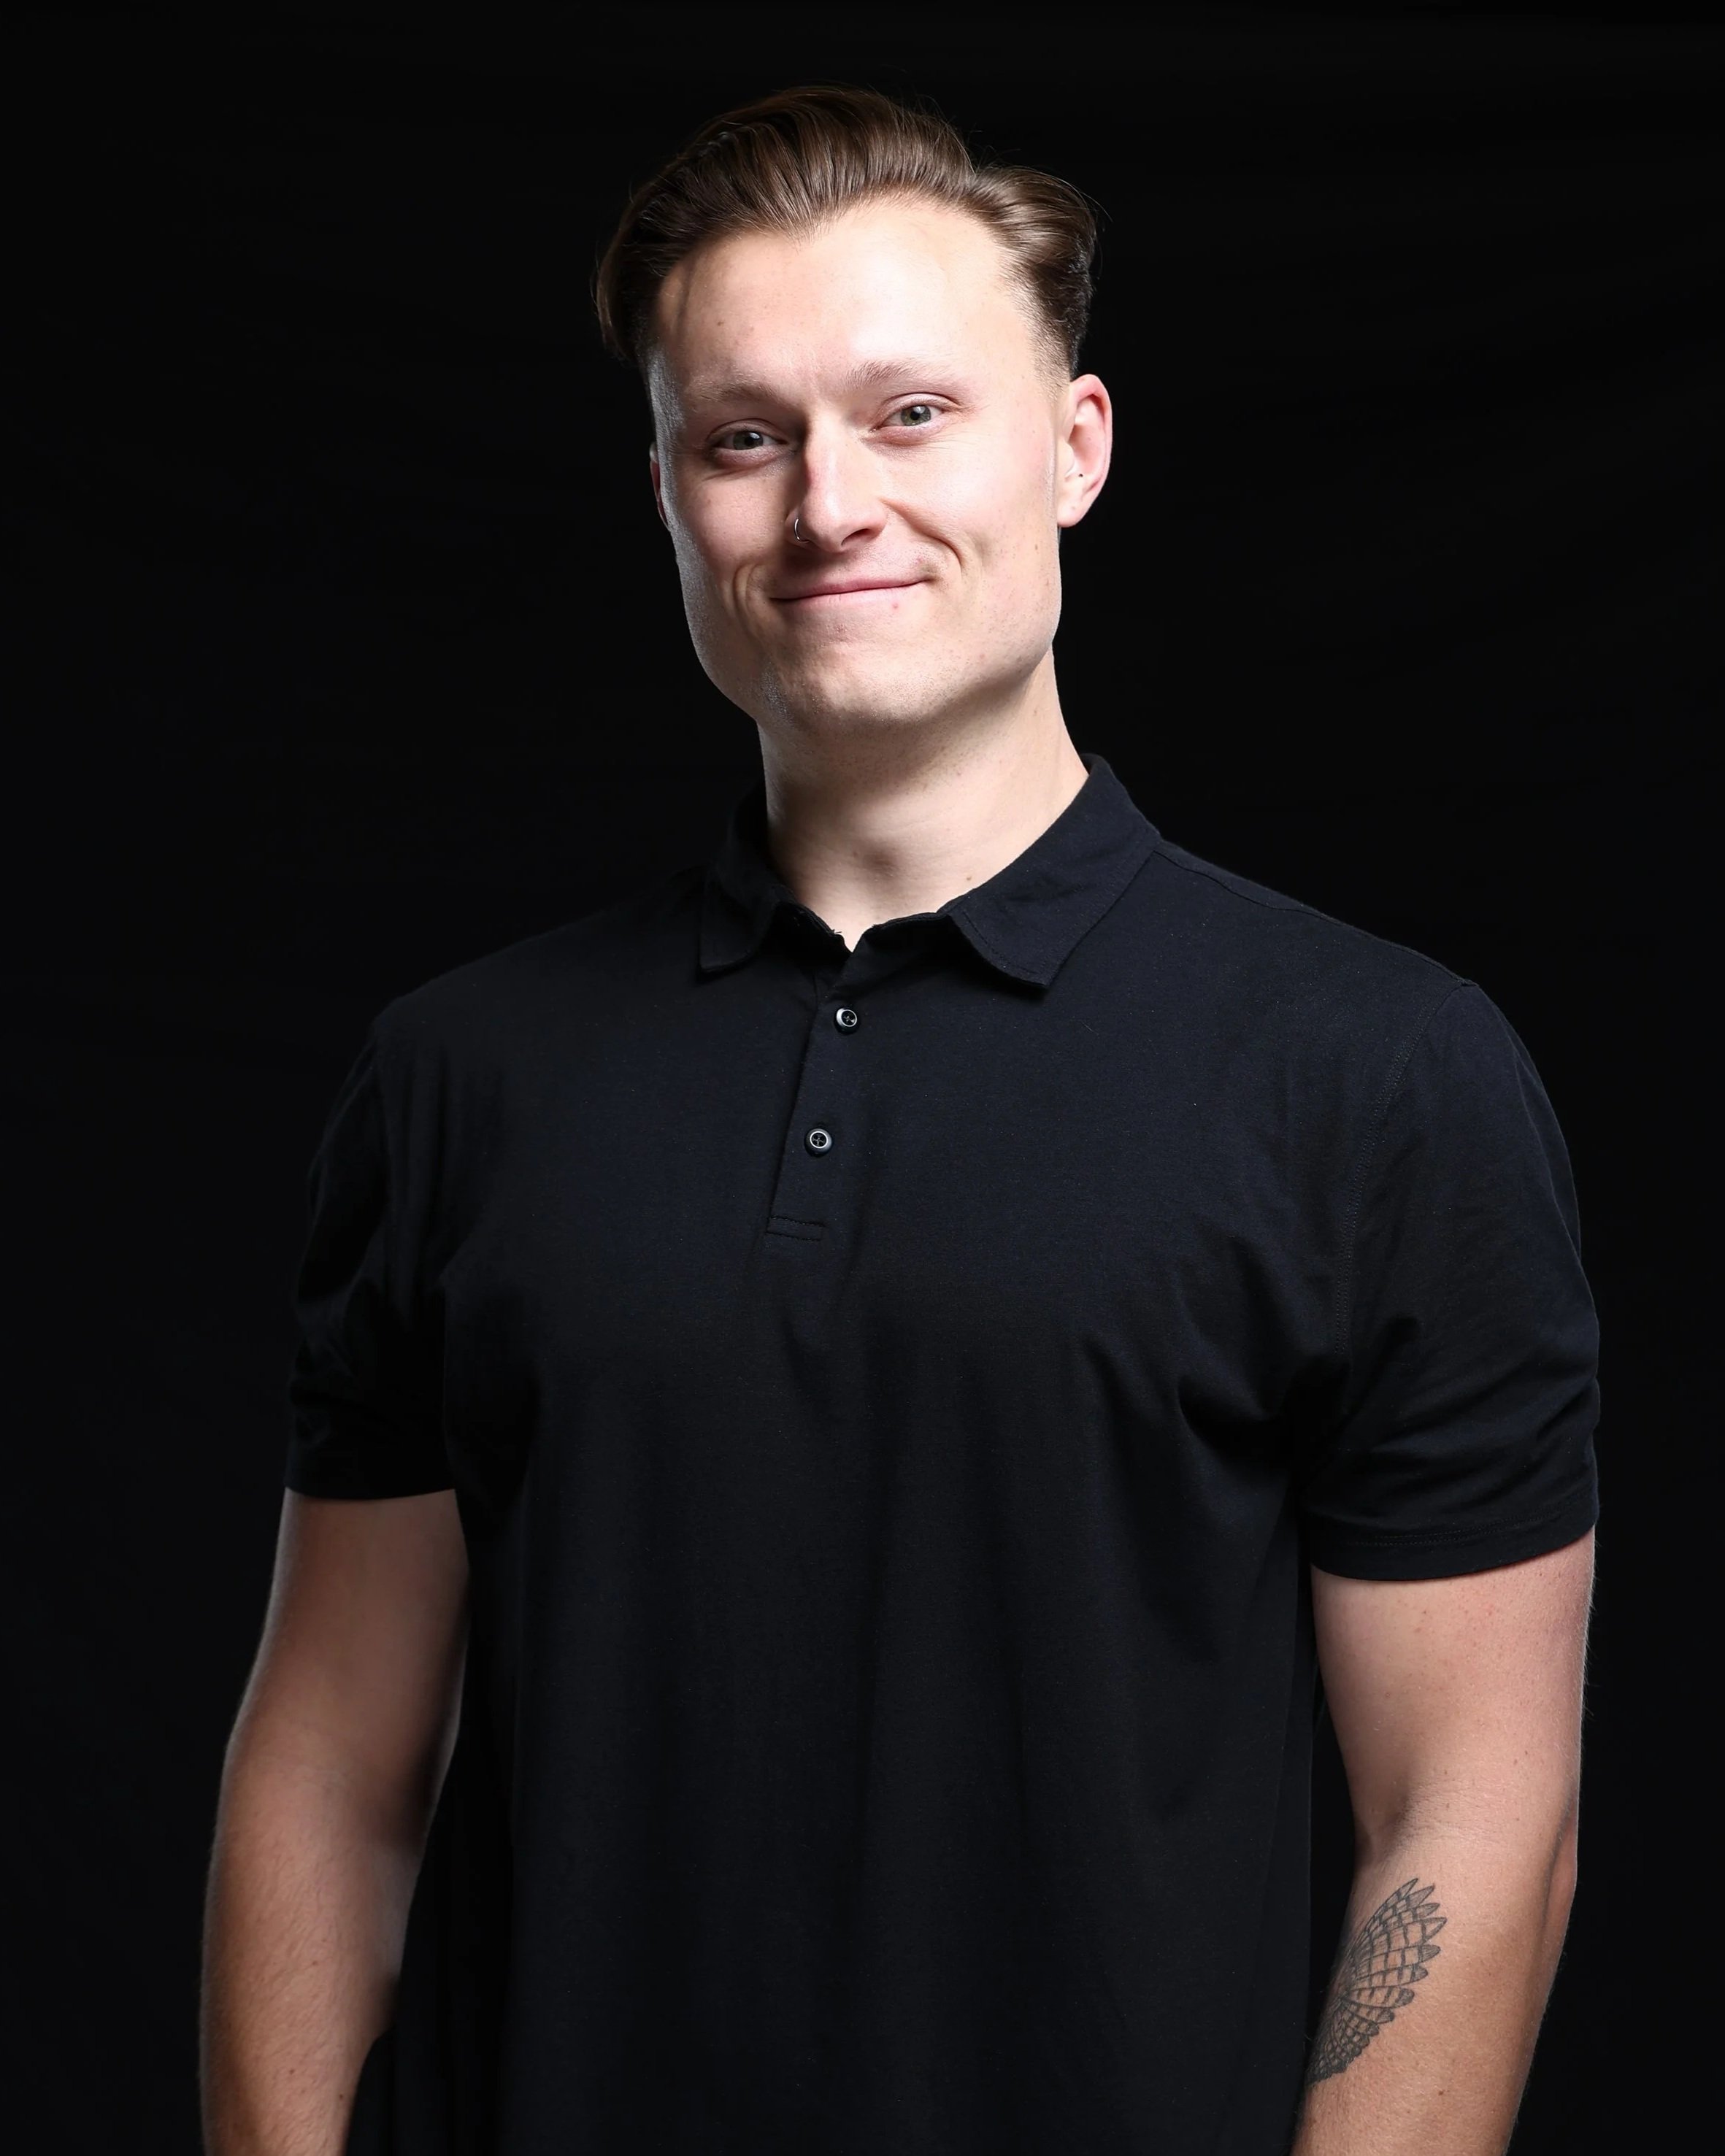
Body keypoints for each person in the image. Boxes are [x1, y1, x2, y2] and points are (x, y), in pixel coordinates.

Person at [200, 85, 1599, 2156]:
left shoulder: (1374, 1071)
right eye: (742, 435)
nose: (825, 502)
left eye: (909, 413)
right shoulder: (459, 1077)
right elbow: (325, 1760)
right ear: (673, 495)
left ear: (1076, 445)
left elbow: (1472, 1816)